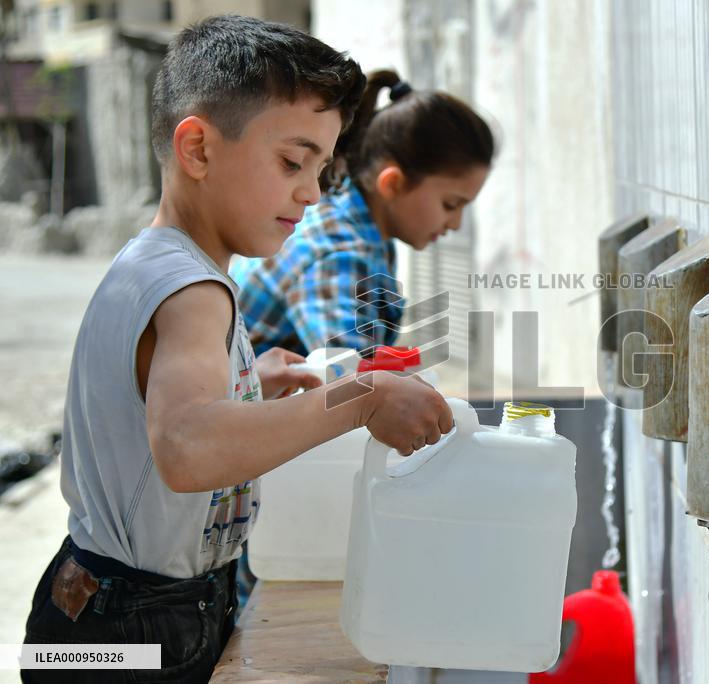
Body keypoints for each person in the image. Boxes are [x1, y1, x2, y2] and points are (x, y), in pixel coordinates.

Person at [21, 16, 452, 683]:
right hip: (135, 624)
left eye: (322, 168)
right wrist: (361, 400)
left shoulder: (158, 263)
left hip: (88, 605)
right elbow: (188, 445)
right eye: (291, 162)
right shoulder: (194, 289)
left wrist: (249, 382)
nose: (311, 192)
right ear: (198, 150)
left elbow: (161, 406)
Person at [231, 69, 495, 358]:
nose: (455, 224)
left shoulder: (361, 230)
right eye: (450, 205)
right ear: (392, 183)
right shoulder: (339, 255)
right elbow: (351, 381)